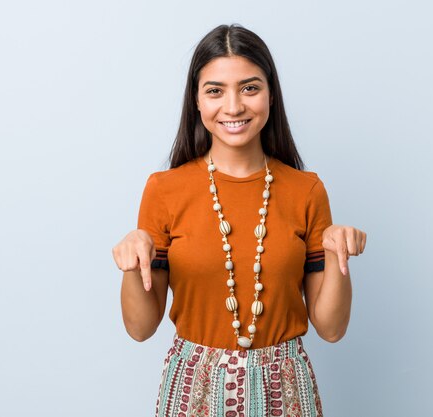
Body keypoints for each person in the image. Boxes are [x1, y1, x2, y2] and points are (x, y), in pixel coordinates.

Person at [112, 24, 366, 417]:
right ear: (196, 101)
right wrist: (131, 263)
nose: (233, 107)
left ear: (270, 94)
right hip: (193, 392)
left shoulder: (306, 190)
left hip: (286, 392)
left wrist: (337, 253)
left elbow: (331, 329)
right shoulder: (164, 190)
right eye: (215, 90)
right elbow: (141, 328)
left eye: (249, 88)